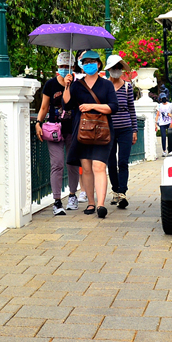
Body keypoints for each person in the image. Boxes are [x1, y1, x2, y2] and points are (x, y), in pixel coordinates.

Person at [63, 50, 119, 219]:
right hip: (83, 131)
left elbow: (113, 107)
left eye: (92, 61)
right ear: (81, 65)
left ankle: (101, 204)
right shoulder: (76, 85)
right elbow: (67, 106)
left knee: (99, 167)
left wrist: (92, 106)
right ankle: (91, 202)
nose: (89, 64)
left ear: (99, 64)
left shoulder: (106, 84)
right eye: (85, 62)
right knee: (86, 168)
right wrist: (67, 86)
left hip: (103, 131)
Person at [35, 52, 81, 215]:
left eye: (67, 67)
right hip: (54, 129)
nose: (64, 69)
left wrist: (69, 86)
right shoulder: (50, 84)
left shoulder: (78, 84)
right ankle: (57, 201)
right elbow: (44, 107)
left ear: (73, 68)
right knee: (57, 164)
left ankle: (73, 195)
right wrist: (38, 123)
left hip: (72, 128)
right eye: (61, 66)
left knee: (72, 163)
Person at [104, 54, 137, 209]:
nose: (116, 70)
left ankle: (122, 192)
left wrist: (135, 130)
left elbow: (131, 109)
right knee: (111, 162)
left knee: (123, 161)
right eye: (114, 67)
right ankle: (115, 190)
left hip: (125, 129)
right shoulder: (104, 86)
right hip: (108, 129)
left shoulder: (127, 87)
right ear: (109, 69)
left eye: (119, 67)